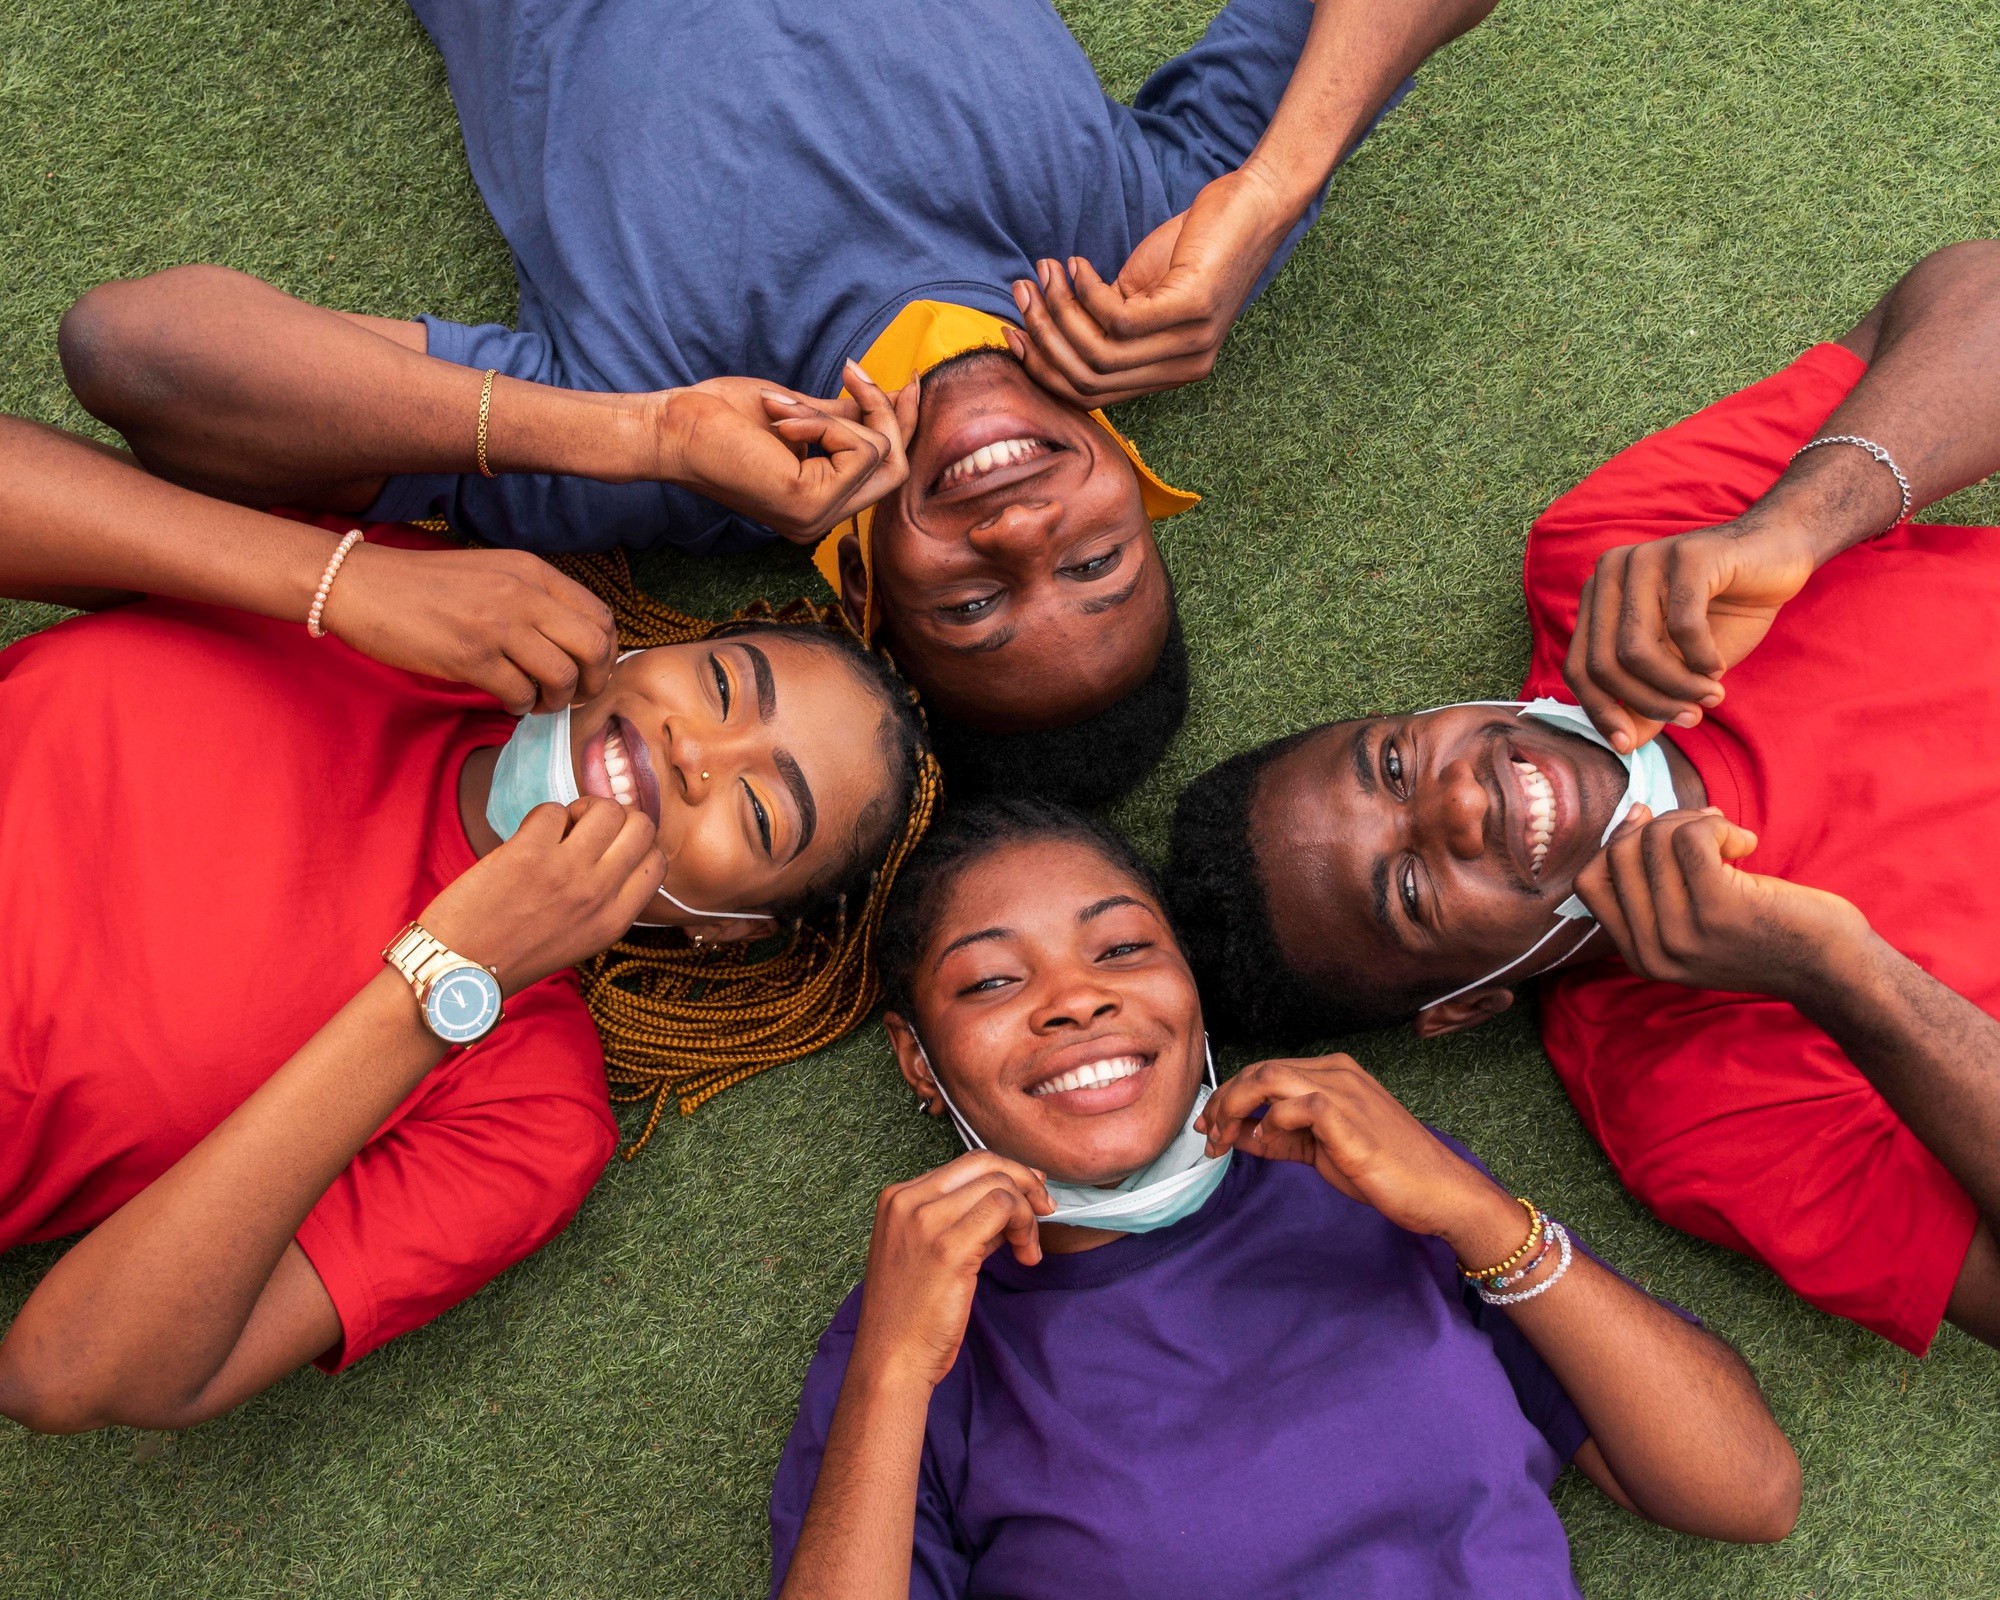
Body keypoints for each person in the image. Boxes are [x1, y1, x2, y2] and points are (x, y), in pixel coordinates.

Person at [55, 0, 1495, 801]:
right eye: (1096, 560)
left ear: (867, 592)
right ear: (1140, 490)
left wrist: (635, 431)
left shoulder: (675, 451)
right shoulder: (1153, 260)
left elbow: (137, 351)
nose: (1020, 533)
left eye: (978, 605)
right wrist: (1277, 183)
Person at [0, 411, 937, 1434]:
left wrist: (446, 978)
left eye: (758, 812)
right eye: (720, 685)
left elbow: (69, 1371)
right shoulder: (416, 611)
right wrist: (342, 581)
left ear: (727, 927)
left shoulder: (527, 1114)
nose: (696, 754)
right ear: (657, 649)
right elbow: (123, 357)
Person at [1167, 240, 2000, 1356]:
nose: (1458, 803)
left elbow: (1975, 286)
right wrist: (1840, 975)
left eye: (1394, 763)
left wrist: (1793, 524)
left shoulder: (1616, 559)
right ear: (1464, 1002)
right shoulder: (1692, 1110)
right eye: (1411, 888)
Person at [767, 798, 1800, 1600]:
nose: (1075, 999)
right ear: (917, 1058)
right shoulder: (916, 1329)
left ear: (1189, 986)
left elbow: (1747, 1492)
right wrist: (894, 1370)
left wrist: (1470, 1210)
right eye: (991, 982)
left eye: (1121, 948)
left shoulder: (1375, 1183)